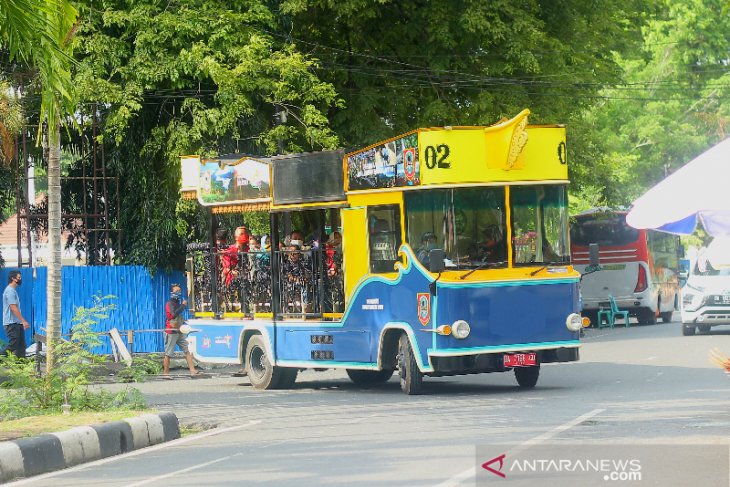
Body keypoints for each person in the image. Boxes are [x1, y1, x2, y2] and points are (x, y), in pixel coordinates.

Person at [162, 284, 199, 378]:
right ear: (171, 293)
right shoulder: (170, 303)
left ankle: (192, 370)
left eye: (179, 291)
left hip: (179, 331)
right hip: (171, 332)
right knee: (168, 353)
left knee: (187, 350)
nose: (177, 293)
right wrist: (183, 305)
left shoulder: (177, 303)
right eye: (175, 291)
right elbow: (173, 315)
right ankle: (166, 374)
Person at [2, 271, 30, 358]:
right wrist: (23, 321)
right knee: (14, 344)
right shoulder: (10, 291)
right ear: (13, 279)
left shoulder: (13, 291)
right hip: (11, 323)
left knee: (21, 346)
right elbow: (13, 307)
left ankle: (21, 366)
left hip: (17, 323)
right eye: (19, 277)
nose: (20, 279)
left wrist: (21, 322)